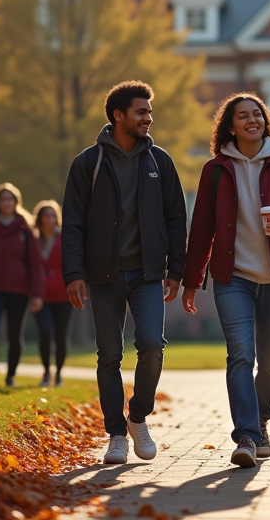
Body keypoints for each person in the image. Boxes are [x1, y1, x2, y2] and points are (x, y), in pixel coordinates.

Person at [182, 92, 270, 468]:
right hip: (234, 277)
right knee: (241, 354)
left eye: (257, 114)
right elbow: (201, 229)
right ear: (230, 126)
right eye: (243, 116)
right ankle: (246, 435)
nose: (252, 120)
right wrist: (192, 279)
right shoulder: (216, 170)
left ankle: (261, 419)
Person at [62, 81, 189, 466]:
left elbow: (175, 218)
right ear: (119, 115)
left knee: (151, 345)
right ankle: (116, 434)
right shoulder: (89, 163)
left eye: (149, 112)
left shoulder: (159, 162)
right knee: (109, 355)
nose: (148, 118)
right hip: (103, 275)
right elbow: (73, 223)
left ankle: (138, 416)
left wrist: (176, 268)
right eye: (141, 112)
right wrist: (73, 272)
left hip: (148, 273)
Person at [0, 183, 45, 388]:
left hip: (19, 290)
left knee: (15, 335)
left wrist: (37, 294)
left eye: (10, 199)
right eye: (3, 200)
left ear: (16, 203)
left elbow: (35, 263)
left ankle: (11, 376)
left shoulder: (25, 228)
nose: (7, 203)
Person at [32, 200, 72, 387]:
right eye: (46, 215)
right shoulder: (33, 240)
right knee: (45, 333)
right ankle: (47, 372)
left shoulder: (65, 238)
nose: (50, 219)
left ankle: (60, 374)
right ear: (39, 219)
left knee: (61, 336)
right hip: (40, 296)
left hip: (63, 295)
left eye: (53, 215)